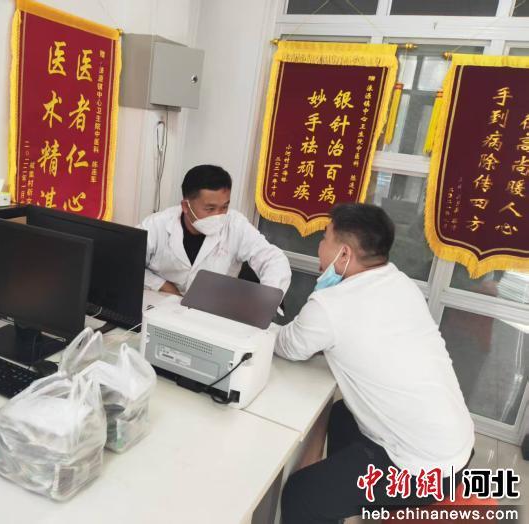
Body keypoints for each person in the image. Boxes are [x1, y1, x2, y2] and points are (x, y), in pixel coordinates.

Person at [276, 203, 474, 523]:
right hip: (457, 446)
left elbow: (289, 346)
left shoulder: (329, 307)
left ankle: (330, 502)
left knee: (301, 494)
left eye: (324, 238)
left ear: (344, 254)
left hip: (422, 472)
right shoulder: (401, 283)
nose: (319, 246)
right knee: (342, 415)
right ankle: (342, 503)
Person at [139, 164, 291, 297]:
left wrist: (266, 298)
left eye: (224, 207)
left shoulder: (236, 225)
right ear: (186, 206)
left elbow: (273, 259)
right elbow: (129, 262)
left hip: (213, 308)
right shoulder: (157, 225)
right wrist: (162, 285)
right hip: (161, 303)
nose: (218, 215)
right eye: (210, 208)